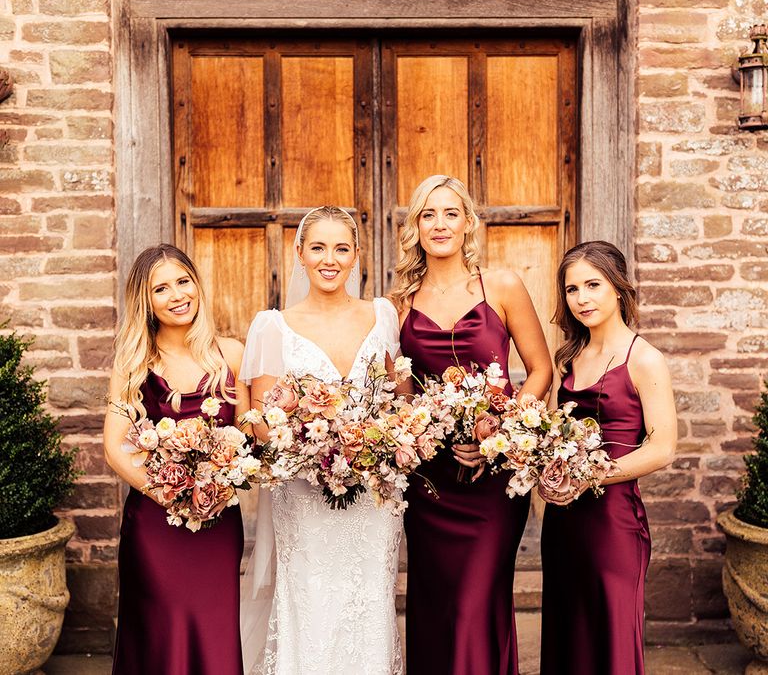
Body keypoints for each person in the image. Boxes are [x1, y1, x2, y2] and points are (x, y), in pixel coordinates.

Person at [391, 175, 553, 675]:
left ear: (467, 223)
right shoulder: (398, 302)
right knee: (435, 603)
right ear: (415, 227)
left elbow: (541, 369)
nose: (440, 224)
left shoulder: (500, 285)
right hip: (431, 483)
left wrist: (500, 433)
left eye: (450, 213)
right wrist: (415, 430)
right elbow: (403, 395)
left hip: (493, 478)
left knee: (476, 602)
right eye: (428, 215)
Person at [239, 206, 403, 675]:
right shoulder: (273, 326)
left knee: (368, 598)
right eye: (318, 247)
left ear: (356, 257)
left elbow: (399, 400)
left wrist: (370, 449)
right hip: (305, 493)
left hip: (373, 494)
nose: (329, 259)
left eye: (341, 248)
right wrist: (317, 456)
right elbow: (265, 422)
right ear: (300, 254)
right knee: (311, 599)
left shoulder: (382, 315)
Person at [103, 244, 248, 675]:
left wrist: (227, 474)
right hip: (155, 525)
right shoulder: (133, 364)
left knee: (214, 628)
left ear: (197, 285)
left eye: (183, 281)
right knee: (160, 633)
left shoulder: (231, 355)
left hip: (218, 523)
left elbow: (250, 438)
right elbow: (114, 447)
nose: (177, 295)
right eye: (160, 289)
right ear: (144, 301)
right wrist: (173, 495)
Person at [539, 240, 677, 675]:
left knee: (610, 640)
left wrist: (591, 474)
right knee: (567, 636)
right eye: (572, 289)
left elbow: (663, 447)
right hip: (563, 524)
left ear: (618, 288)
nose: (582, 298)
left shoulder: (645, 359)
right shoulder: (567, 358)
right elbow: (550, 434)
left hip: (613, 526)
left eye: (593, 285)